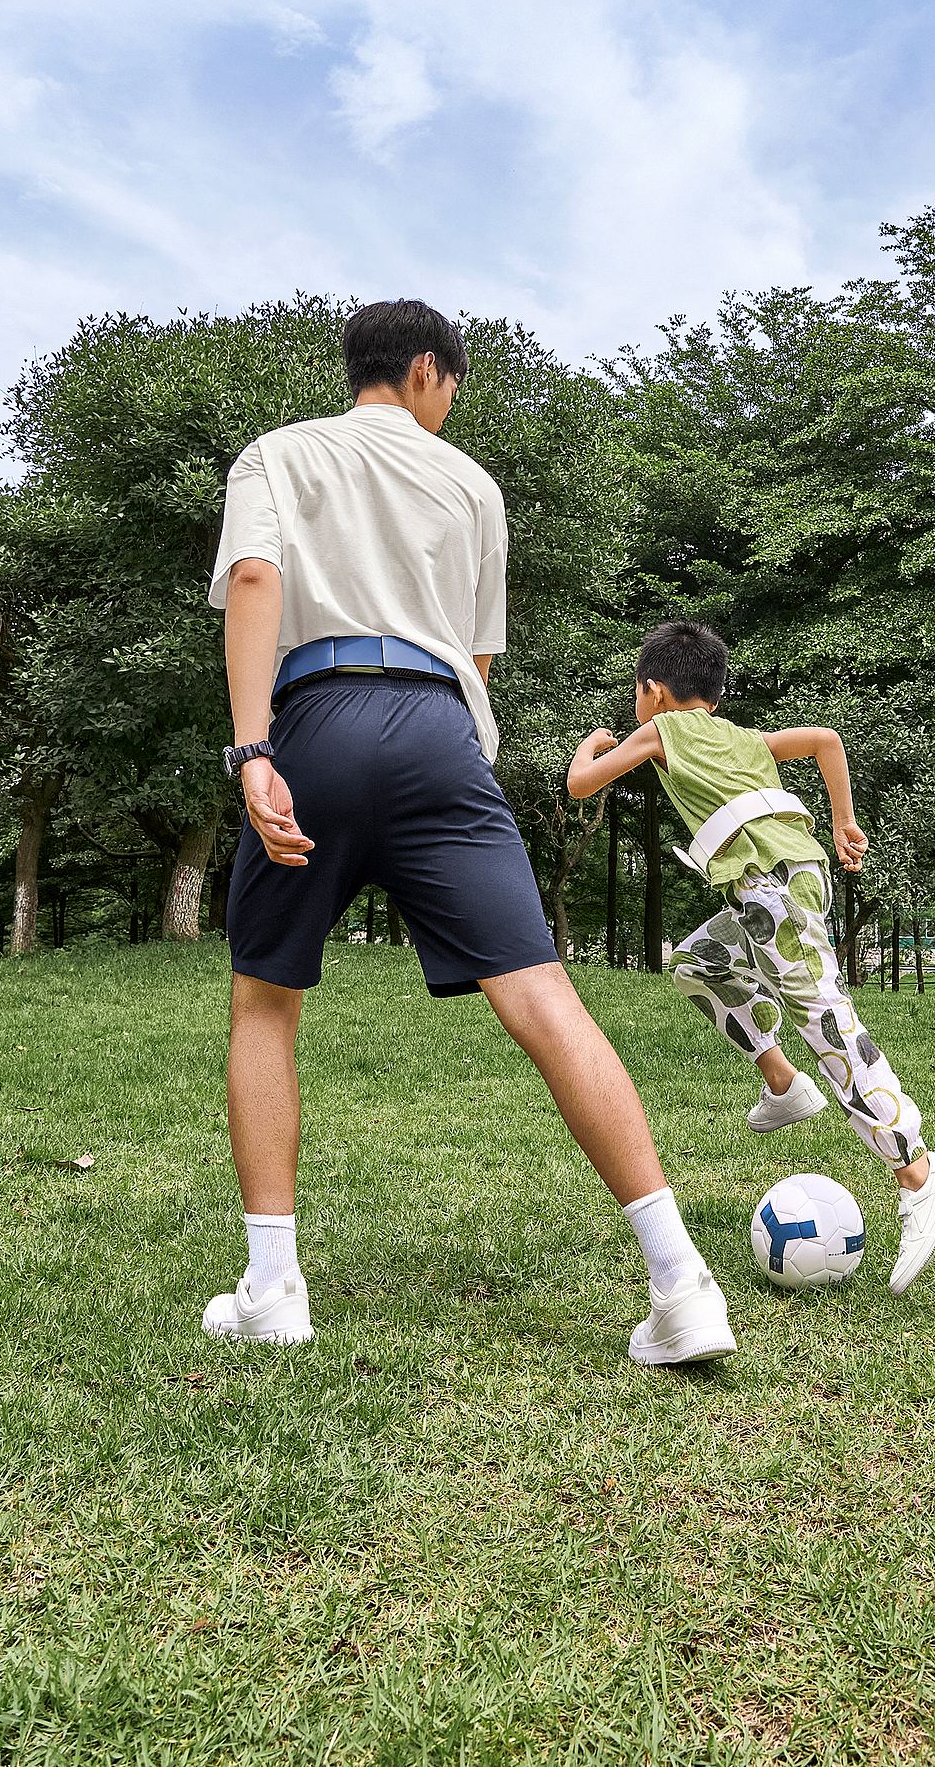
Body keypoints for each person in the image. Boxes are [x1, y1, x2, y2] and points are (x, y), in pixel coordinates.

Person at [204, 301, 735, 1365]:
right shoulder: (473, 485)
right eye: (454, 382)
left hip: (316, 718)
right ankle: (682, 1287)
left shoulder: (274, 454)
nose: (453, 400)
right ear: (421, 372)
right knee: (543, 994)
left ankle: (273, 1291)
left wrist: (254, 752)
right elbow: (476, 659)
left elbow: (255, 582)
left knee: (266, 1001)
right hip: (440, 734)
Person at [567, 621, 935, 1294]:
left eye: (637, 694)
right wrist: (843, 821)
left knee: (826, 1018)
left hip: (769, 887)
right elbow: (825, 741)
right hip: (784, 882)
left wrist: (596, 741)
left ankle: (920, 1171)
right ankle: (783, 1083)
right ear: (715, 696)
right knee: (699, 964)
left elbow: (583, 783)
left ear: (654, 692)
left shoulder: (659, 731)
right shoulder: (744, 739)